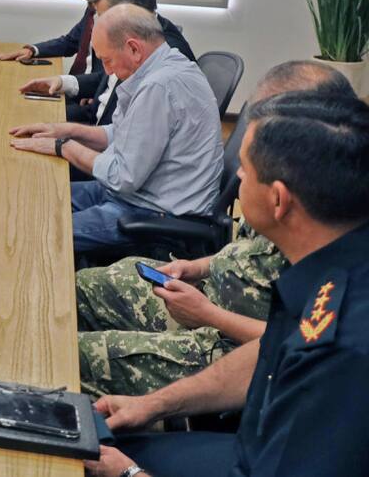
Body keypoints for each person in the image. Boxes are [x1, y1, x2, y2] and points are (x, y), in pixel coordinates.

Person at [83, 92, 369, 477]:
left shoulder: (343, 353)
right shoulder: (327, 267)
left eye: (246, 171)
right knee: (111, 438)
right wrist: (153, 404)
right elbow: (268, 356)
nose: (236, 176)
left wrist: (129, 475)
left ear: (278, 200)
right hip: (253, 443)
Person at [76, 61, 355, 398]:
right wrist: (198, 267)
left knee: (78, 356)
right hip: (205, 297)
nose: (239, 175)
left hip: (226, 343)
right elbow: (247, 249)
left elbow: (296, 344)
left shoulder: (325, 222)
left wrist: (209, 316)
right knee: (77, 289)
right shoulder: (289, 186)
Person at [10, 4, 222, 253]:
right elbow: (121, 133)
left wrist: (63, 147)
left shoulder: (160, 86)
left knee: (32, 231)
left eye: (107, 61)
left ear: (134, 48)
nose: (107, 71)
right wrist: (66, 130)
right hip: (134, 195)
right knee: (29, 197)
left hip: (153, 213)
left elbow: (123, 177)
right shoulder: (163, 66)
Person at [19, 0, 196, 127]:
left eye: (104, 16)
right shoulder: (138, 32)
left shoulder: (162, 52)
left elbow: (134, 144)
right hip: (101, 124)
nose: (98, 22)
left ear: (129, 11)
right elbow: (107, 78)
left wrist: (68, 145)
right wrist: (62, 82)